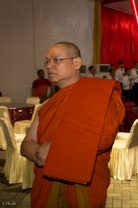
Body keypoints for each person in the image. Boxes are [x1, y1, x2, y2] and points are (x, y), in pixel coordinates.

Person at [20, 42, 125, 207]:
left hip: (84, 187)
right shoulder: (48, 105)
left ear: (77, 63)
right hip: (46, 184)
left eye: (56, 60)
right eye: (47, 61)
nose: (50, 66)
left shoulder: (99, 95)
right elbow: (26, 144)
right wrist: (38, 155)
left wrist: (57, 148)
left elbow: (104, 138)